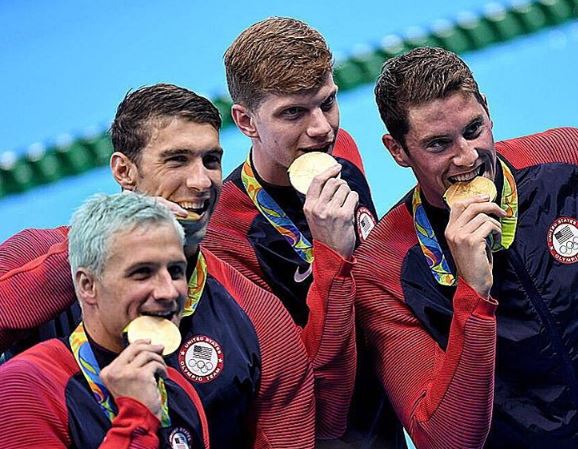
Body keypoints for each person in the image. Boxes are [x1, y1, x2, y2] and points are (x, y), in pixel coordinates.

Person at [0, 84, 316, 449]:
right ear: (124, 171)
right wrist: (94, 251)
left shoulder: (258, 317)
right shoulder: (38, 259)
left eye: (211, 161)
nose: (201, 182)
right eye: (177, 160)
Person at [354, 46, 578, 449]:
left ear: (488, 111)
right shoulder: (383, 268)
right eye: (438, 145)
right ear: (398, 151)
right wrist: (473, 295)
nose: (468, 157)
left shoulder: (566, 159)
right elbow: (444, 439)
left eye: (473, 130)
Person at [203, 17, 406, 447]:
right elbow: (310, 392)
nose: (321, 128)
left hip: (386, 406)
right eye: (293, 112)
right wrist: (330, 255)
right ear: (246, 121)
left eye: (327, 102)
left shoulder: (341, 151)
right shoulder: (225, 235)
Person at [0, 193, 210, 449]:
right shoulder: (25, 387)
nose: (168, 292)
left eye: (175, 271)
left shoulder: (179, 390)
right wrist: (136, 419)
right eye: (142, 273)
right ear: (87, 285)